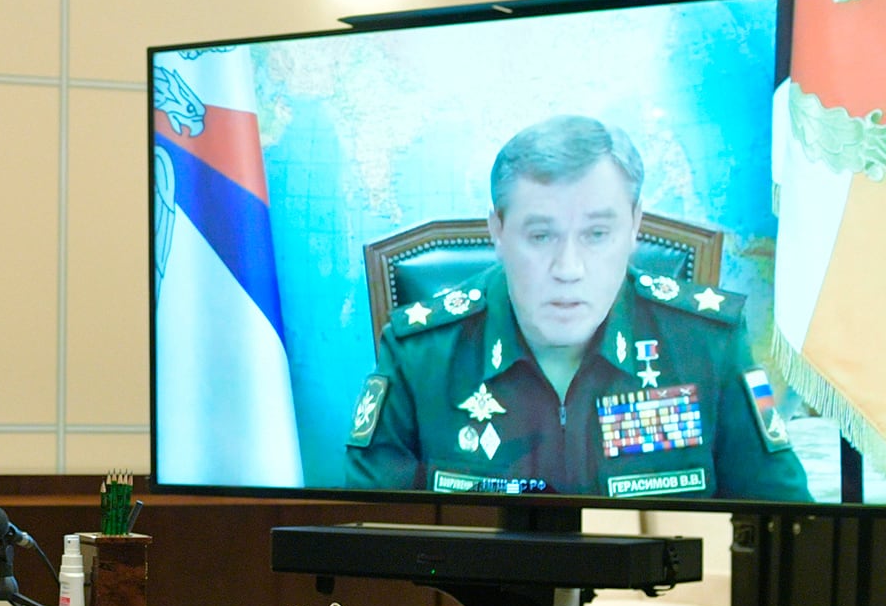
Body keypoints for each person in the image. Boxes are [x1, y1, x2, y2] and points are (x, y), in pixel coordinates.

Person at [345, 115, 811, 500]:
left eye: (596, 234)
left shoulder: (710, 343)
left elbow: (786, 527)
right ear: (498, 232)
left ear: (634, 227)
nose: (568, 268)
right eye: (541, 236)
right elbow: (368, 540)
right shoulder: (419, 353)